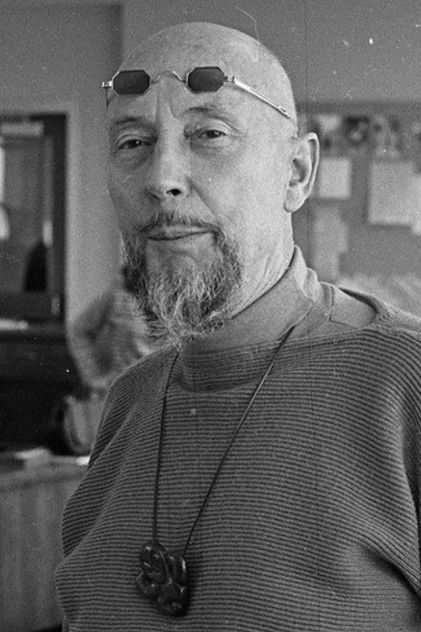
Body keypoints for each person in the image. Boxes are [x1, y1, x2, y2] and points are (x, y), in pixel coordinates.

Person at [55, 22, 421, 631]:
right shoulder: (130, 402)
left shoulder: (404, 384)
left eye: (209, 134)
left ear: (296, 173)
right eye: (133, 142)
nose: (161, 179)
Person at [68, 265, 154, 393]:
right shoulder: (119, 296)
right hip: (122, 388)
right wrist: (94, 376)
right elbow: (79, 330)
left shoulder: (175, 296)